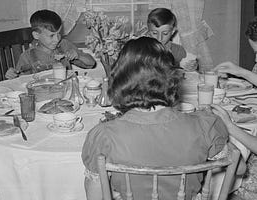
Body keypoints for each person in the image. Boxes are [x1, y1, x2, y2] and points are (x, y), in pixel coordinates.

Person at [82, 37, 228, 200]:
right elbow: (239, 168)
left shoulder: (102, 135)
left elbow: (94, 194)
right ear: (171, 78)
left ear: (120, 79)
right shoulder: (205, 125)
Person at [5, 9, 96, 79]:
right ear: (36, 35)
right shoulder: (27, 56)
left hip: (66, 90)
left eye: (59, 34)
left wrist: (78, 56)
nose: (57, 39)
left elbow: (91, 63)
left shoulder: (64, 45)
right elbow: (20, 79)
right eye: (51, 35)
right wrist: (13, 74)